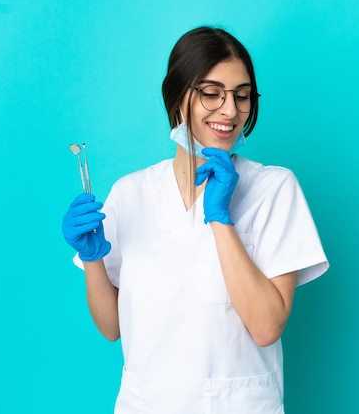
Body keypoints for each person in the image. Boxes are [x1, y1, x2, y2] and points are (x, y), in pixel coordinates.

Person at [62, 26, 329, 414]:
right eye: (211, 93)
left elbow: (267, 326)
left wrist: (221, 218)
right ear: (177, 96)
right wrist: (92, 260)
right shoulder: (131, 192)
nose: (230, 110)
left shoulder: (274, 188)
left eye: (242, 96)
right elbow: (111, 328)